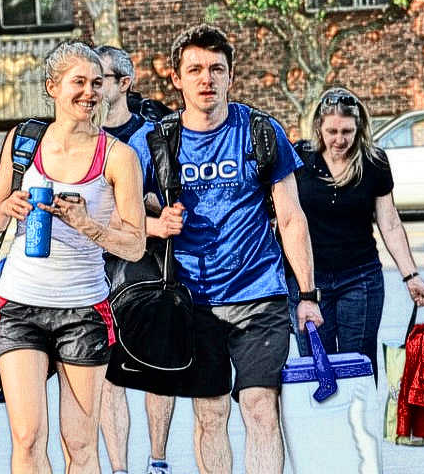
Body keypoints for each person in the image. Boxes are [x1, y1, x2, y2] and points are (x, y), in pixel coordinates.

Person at [126, 24, 323, 474]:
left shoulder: (260, 132)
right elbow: (117, 210)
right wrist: (155, 223)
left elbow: (291, 218)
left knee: (260, 407)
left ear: (231, 75)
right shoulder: (155, 141)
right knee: (211, 413)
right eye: (195, 69)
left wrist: (308, 295)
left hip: (260, 293)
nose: (206, 79)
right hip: (191, 300)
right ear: (177, 79)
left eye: (216, 69)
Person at [0, 40, 146, 474]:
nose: (90, 93)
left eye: (97, 83)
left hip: (82, 309)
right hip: (19, 304)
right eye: (79, 82)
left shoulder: (119, 157)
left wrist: (87, 224)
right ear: (53, 87)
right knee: (27, 438)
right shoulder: (23, 141)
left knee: (80, 444)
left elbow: (135, 245)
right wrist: (9, 207)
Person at [287, 87, 424, 382]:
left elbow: (389, 222)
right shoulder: (299, 158)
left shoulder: (374, 162)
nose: (339, 140)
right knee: (317, 370)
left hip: (360, 278)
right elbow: (285, 218)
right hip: (308, 282)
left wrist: (411, 275)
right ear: (318, 127)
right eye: (332, 131)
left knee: (358, 369)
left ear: (359, 128)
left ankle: (360, 416)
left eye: (347, 132)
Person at [95, 45, 176, 474]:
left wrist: (148, 208)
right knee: (108, 374)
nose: (91, 87)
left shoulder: (153, 137)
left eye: (100, 79)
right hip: (93, 267)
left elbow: (168, 203)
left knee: (156, 366)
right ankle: (119, 468)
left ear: (124, 83)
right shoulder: (81, 138)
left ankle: (158, 461)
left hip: (147, 266)